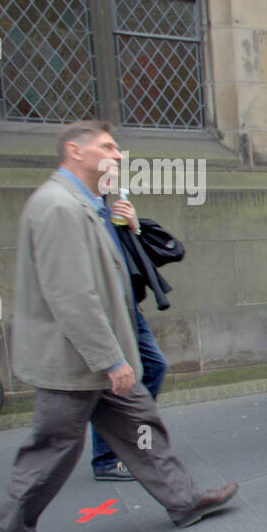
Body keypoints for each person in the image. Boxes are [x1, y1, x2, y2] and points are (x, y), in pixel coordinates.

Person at [0, 121, 238, 532]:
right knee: (54, 446)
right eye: (107, 146)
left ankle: (184, 500)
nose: (118, 154)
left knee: (142, 427)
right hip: (75, 361)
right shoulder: (58, 206)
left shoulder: (86, 203)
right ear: (75, 151)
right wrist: (111, 359)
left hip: (96, 359)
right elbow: (72, 296)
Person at [86, 189, 170, 482]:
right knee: (113, 383)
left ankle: (132, 440)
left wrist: (134, 227)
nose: (115, 161)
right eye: (106, 151)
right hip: (107, 310)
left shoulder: (107, 210)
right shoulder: (79, 210)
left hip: (128, 308)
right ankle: (107, 457)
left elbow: (142, 256)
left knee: (154, 368)